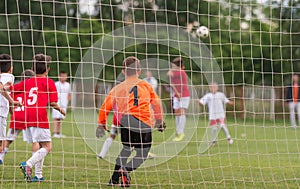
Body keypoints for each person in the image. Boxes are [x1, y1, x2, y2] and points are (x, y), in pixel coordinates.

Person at [96, 56, 166, 187]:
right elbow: (157, 104)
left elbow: (105, 106)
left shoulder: (118, 87)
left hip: (126, 121)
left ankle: (114, 179)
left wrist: (101, 123)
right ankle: (125, 170)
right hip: (143, 121)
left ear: (123, 71)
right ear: (139, 71)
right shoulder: (146, 85)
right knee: (143, 153)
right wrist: (160, 121)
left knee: (126, 149)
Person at [9, 54, 65, 182]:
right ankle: (28, 164)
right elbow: (52, 102)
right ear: (48, 69)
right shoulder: (49, 82)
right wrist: (61, 109)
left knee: (41, 145)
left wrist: (4, 88)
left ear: (33, 69)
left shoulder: (27, 81)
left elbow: (11, 89)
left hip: (27, 117)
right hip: (40, 116)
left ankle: (38, 175)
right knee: (47, 147)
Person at [0, 70, 39, 166]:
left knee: (8, 140)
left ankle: (1, 157)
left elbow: (10, 100)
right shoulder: (33, 89)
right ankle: (33, 163)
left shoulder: (16, 87)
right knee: (36, 141)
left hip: (17, 116)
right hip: (29, 117)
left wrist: (12, 113)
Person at [167, 57, 190, 142]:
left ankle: (181, 132)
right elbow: (171, 82)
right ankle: (178, 131)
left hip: (184, 94)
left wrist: (171, 71)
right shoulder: (175, 72)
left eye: (173, 65)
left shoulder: (181, 72)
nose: (172, 67)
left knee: (181, 111)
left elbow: (170, 74)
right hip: (177, 95)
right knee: (176, 112)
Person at [0, 54, 15, 163]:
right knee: (1, 140)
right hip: (1, 111)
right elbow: (5, 91)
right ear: (10, 68)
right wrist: (12, 104)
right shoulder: (10, 77)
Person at [52, 71, 71, 138]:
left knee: (60, 118)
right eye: (62, 76)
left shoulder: (68, 85)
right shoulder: (56, 84)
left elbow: (69, 94)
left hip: (64, 103)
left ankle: (58, 132)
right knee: (56, 118)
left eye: (65, 76)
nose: (63, 77)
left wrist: (67, 102)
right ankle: (54, 133)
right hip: (57, 103)